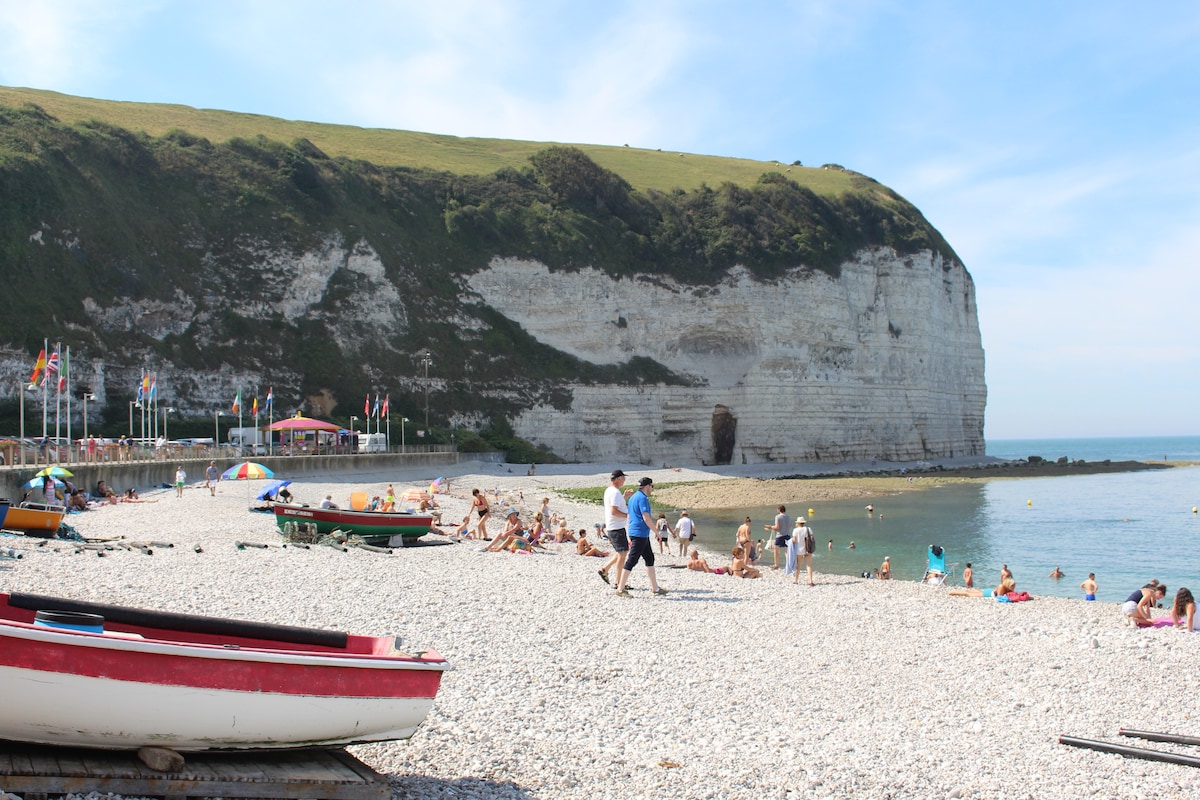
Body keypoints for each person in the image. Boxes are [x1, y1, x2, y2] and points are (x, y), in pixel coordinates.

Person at [615, 477, 667, 596]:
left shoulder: (633, 497)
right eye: (652, 486)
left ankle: (655, 588)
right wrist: (656, 532)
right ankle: (620, 589)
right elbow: (646, 517)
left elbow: (629, 515)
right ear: (647, 486)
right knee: (632, 560)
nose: (652, 489)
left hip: (637, 532)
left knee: (649, 558)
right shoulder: (642, 498)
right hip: (639, 534)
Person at [600, 470, 631, 586]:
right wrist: (628, 516)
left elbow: (614, 506)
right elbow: (614, 511)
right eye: (623, 478)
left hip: (614, 526)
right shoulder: (615, 493)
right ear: (618, 479)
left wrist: (624, 497)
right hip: (616, 527)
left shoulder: (610, 491)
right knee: (623, 553)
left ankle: (605, 569)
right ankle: (618, 582)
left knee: (621, 552)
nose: (624, 481)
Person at [764, 504, 792, 570]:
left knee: (776, 550)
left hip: (780, 535)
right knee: (787, 551)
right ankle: (789, 565)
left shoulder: (778, 517)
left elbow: (777, 527)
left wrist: (770, 527)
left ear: (779, 510)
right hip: (787, 535)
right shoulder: (788, 516)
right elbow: (790, 526)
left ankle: (776, 565)